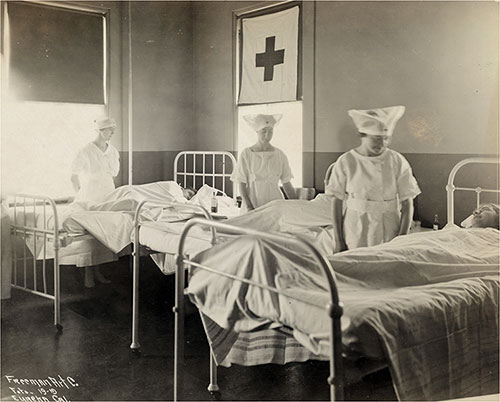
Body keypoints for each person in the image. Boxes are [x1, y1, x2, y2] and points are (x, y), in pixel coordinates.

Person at [327, 105, 421, 252]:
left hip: (389, 228)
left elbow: (408, 204)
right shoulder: (347, 161)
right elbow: (336, 203)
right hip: (356, 228)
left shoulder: (396, 160)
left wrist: (401, 239)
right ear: (363, 135)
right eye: (376, 139)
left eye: (386, 139)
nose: (382, 144)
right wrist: (339, 241)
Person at [71, 116, 120, 288]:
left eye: (113, 131)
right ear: (100, 130)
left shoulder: (112, 151)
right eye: (109, 130)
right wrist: (81, 196)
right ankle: (88, 273)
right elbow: (73, 176)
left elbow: (113, 173)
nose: (112, 133)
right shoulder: (85, 151)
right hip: (90, 195)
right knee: (89, 234)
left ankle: (98, 271)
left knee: (103, 233)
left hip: (107, 193)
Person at [231, 114, 296, 213]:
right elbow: (242, 184)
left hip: (274, 203)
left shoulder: (279, 155)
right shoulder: (246, 154)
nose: (267, 135)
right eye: (263, 131)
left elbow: (286, 182)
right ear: (257, 131)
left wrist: (297, 205)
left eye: (270, 132)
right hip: (253, 203)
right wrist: (249, 207)